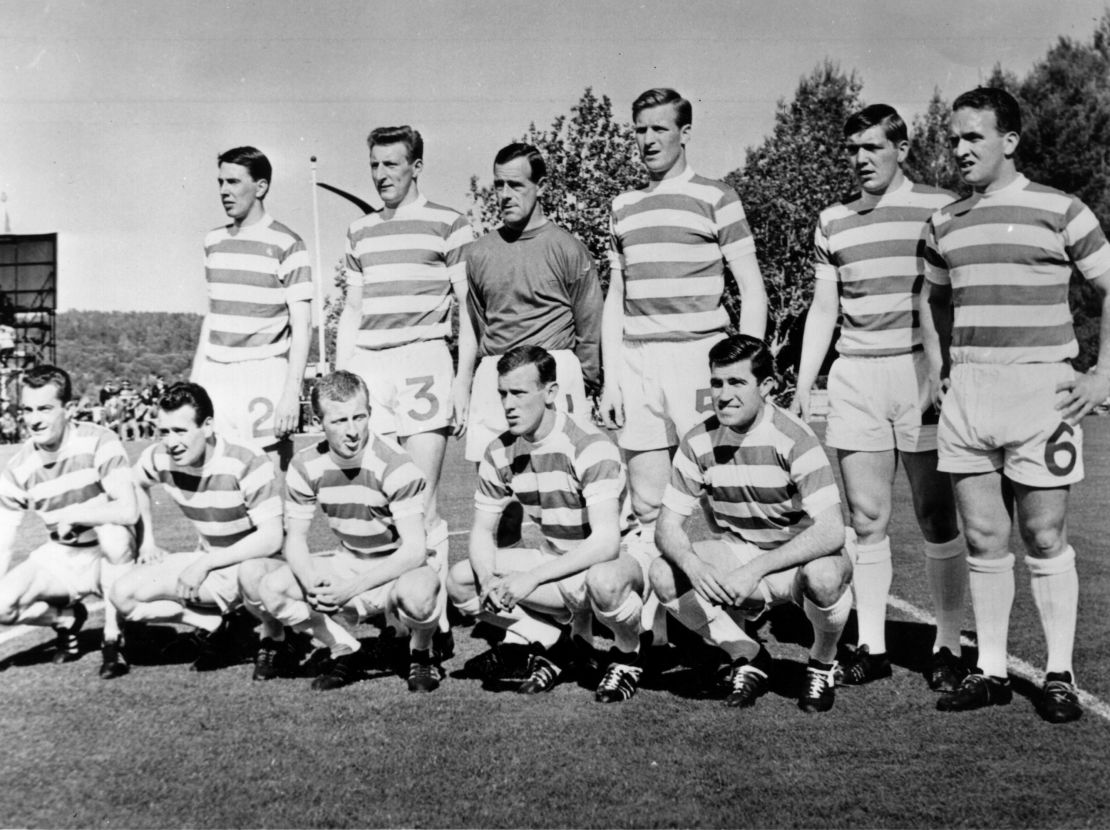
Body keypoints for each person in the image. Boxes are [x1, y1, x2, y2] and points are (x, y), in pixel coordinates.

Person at [924, 87, 1110, 723]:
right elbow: (934, 300)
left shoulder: (1060, 209)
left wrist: (1102, 375)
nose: (959, 148)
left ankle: (1058, 673)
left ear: (1009, 140)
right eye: (954, 137)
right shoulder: (945, 221)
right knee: (982, 536)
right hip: (971, 390)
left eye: (973, 136)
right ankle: (994, 670)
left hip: (1042, 388)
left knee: (1043, 533)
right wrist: (940, 371)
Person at [792, 104, 966, 691]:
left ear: (902, 148)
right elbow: (824, 309)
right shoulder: (833, 219)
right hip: (855, 377)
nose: (861, 159)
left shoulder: (939, 208)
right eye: (852, 149)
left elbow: (952, 298)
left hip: (918, 371)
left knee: (936, 515)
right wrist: (802, 383)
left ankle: (946, 644)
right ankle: (872, 645)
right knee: (867, 519)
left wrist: (947, 372)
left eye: (873, 147)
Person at [600, 88, 769, 620]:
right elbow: (614, 298)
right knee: (648, 502)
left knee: (721, 495)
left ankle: (740, 610)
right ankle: (659, 628)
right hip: (638, 359)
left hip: (700, 358)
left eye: (658, 128)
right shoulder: (622, 206)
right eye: (640, 129)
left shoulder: (716, 197)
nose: (648, 139)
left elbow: (752, 288)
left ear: (684, 133)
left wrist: (747, 371)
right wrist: (611, 378)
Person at [651, 336, 852, 713]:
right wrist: (694, 565)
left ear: (766, 387)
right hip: (742, 552)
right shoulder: (698, 441)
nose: (723, 395)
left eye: (737, 383)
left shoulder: (794, 438)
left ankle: (823, 662)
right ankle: (748, 654)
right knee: (665, 570)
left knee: (825, 577)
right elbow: (666, 527)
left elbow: (831, 531)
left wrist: (754, 570)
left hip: (799, 557)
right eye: (717, 383)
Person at [336, 125, 475, 647]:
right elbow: (352, 309)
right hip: (371, 364)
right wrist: (343, 376)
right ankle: (401, 617)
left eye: (391, 165)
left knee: (424, 499)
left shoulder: (449, 224)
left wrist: (462, 381)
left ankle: (430, 628)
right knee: (383, 497)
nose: (380, 175)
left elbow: (467, 311)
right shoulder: (359, 230)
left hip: (424, 360)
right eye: (374, 165)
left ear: (415, 166)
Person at [446, 345, 624, 695]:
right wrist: (486, 579)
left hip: (610, 569)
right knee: (460, 580)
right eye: (502, 394)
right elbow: (482, 530)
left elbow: (607, 542)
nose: (508, 404)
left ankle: (623, 647)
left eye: (519, 393)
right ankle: (556, 641)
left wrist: (530, 579)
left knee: (594, 582)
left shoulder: (588, 444)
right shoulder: (499, 450)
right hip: (555, 558)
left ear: (551, 393)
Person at [255, 371, 444, 692]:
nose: (353, 430)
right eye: (340, 420)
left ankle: (421, 653)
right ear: (318, 422)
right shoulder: (305, 465)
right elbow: (296, 540)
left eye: (360, 417)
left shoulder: (396, 465)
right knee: (273, 587)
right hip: (348, 561)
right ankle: (343, 647)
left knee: (420, 595)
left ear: (370, 413)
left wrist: (349, 590)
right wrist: (311, 581)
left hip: (396, 569)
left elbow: (414, 551)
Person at [109, 382, 283, 676]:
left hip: (259, 565)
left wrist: (205, 563)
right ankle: (222, 627)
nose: (171, 441)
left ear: (208, 426)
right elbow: (135, 482)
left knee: (252, 575)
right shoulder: (158, 457)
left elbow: (271, 537)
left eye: (181, 430)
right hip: (211, 561)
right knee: (123, 594)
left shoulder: (246, 458)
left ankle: (273, 635)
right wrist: (147, 540)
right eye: (164, 431)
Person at [462, 143, 602, 464]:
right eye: (499, 184)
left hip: (553, 372)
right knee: (494, 488)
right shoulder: (479, 253)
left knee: (564, 484)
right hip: (496, 373)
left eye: (516, 185)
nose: (505, 194)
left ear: (541, 187)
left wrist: (586, 380)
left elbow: (589, 323)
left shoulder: (568, 248)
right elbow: (480, 320)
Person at [0, 365, 138, 678]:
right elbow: (2, 539)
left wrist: (74, 515)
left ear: (69, 409)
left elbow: (128, 510)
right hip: (63, 555)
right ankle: (65, 619)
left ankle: (113, 641)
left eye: (46, 409)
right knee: (1, 604)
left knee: (114, 534)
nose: (34, 419)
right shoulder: (19, 466)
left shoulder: (99, 440)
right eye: (28, 409)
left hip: (109, 554)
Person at [191, 145, 313, 470]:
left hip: (264, 373)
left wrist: (291, 392)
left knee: (270, 489)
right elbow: (213, 317)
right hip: (216, 375)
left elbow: (302, 327)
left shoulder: (288, 244)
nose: (224, 191)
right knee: (219, 483)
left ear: (261, 187)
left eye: (233, 182)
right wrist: (195, 382)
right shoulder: (213, 242)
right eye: (220, 182)